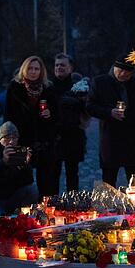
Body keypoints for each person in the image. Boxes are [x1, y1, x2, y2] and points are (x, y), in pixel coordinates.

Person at [87, 57, 135, 187]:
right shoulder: (100, 82)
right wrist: (109, 112)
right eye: (121, 70)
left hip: (134, 139)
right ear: (114, 67)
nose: (124, 74)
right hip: (111, 138)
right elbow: (90, 106)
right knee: (109, 181)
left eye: (128, 72)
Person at [4, 55, 59, 197]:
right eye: (30, 68)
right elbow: (8, 116)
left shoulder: (48, 88)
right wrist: (9, 139)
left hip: (44, 140)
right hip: (21, 138)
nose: (33, 72)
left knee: (46, 181)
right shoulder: (15, 88)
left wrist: (50, 113)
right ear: (24, 69)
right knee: (20, 180)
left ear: (41, 71)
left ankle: (46, 207)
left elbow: (57, 113)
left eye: (36, 69)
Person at [51, 53, 87, 192]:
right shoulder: (48, 86)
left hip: (73, 135)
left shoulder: (79, 87)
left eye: (62, 65)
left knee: (72, 174)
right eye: (57, 65)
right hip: (53, 136)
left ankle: (72, 201)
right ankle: (52, 202)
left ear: (70, 68)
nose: (59, 67)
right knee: (53, 174)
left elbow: (86, 110)